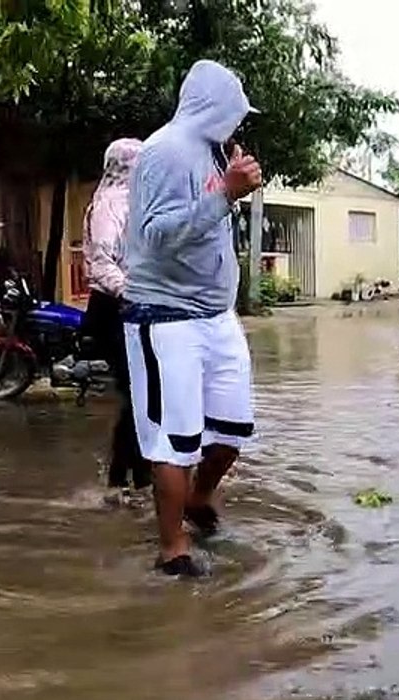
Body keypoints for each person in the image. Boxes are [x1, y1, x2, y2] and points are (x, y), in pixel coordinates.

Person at [123, 59, 263, 576]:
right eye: (235, 112)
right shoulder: (165, 151)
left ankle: (199, 499)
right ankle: (172, 547)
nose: (238, 122)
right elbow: (156, 237)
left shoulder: (211, 151)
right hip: (166, 316)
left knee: (232, 430)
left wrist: (229, 188)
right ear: (212, 106)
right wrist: (226, 194)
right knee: (175, 439)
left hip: (216, 315)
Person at [79, 138, 152, 504]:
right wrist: (135, 293)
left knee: (144, 393)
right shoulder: (110, 204)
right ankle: (124, 479)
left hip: (132, 306)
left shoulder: (133, 202)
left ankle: (136, 475)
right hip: (115, 308)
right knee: (138, 393)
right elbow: (102, 264)